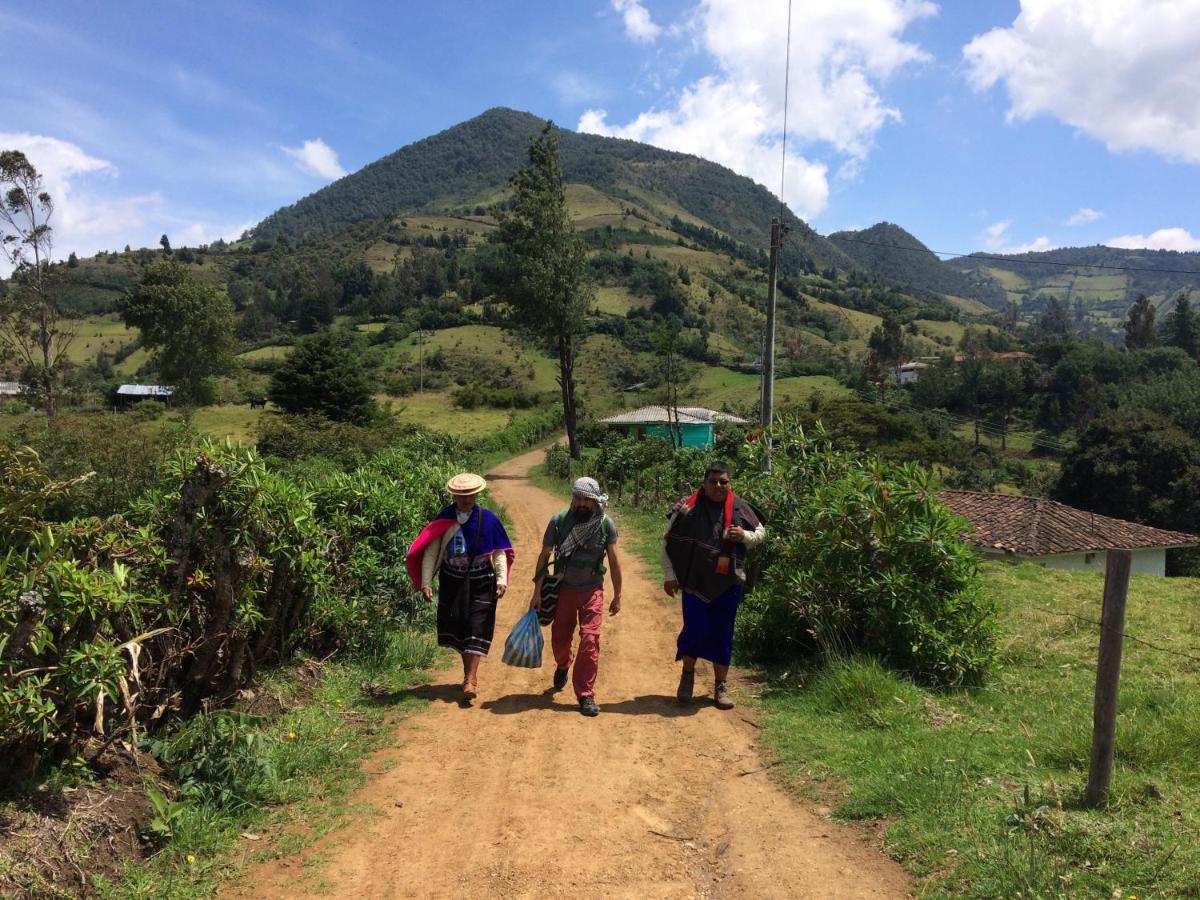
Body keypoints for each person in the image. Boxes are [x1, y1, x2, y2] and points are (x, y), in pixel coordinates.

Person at [662, 462, 764, 710]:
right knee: (694, 630)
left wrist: (746, 536)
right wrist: (669, 574)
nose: (719, 486)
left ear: (730, 484)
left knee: (723, 633)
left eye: (724, 482)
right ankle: (687, 677)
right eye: (713, 481)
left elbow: (761, 532)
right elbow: (668, 539)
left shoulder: (740, 508)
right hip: (693, 581)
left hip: (728, 583)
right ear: (704, 483)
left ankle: (720, 686)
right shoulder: (688, 507)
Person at [406, 473, 514, 703]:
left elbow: (498, 552)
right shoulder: (444, 519)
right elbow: (432, 551)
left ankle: (471, 679)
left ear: (476, 494)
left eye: (470, 495)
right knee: (461, 629)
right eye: (461, 495)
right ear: (454, 495)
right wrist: (426, 582)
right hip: (452, 581)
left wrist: (501, 579)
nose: (466, 499)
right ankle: (468, 674)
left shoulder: (488, 519)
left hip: (482, 580)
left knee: (477, 626)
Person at [531, 476, 622, 717]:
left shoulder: (605, 524)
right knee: (560, 640)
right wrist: (537, 592)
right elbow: (544, 556)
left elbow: (613, 560)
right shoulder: (559, 521)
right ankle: (563, 663)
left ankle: (585, 694)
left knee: (590, 641)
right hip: (564, 590)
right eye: (578, 498)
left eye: (587, 499)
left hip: (593, 590)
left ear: (594, 501)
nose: (581, 503)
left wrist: (618, 594)